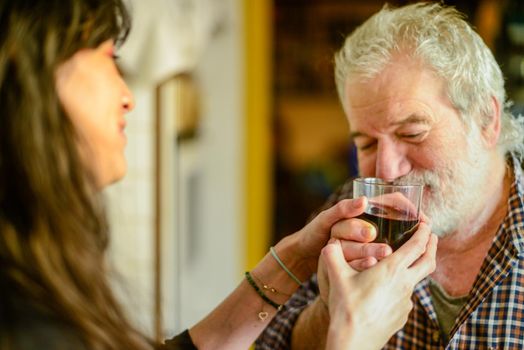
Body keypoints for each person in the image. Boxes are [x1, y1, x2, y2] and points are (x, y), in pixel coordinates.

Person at [0, 0, 437, 349]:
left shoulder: (38, 265)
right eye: (108, 57)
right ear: (32, 77)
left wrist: (291, 262)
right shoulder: (23, 318)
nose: (128, 96)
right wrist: (354, 335)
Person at [256, 2, 524, 349]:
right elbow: (275, 344)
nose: (386, 170)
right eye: (366, 144)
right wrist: (330, 309)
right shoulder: (353, 210)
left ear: (487, 120)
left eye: (412, 133)